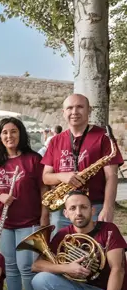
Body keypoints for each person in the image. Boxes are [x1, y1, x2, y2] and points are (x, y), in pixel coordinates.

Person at [31, 192, 127, 290]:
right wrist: (66, 268)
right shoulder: (63, 234)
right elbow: (37, 265)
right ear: (66, 213)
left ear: (93, 210)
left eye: (83, 207)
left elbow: (118, 269)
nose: (79, 212)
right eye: (73, 208)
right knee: (40, 280)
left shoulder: (109, 230)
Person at [0, 116, 48, 290]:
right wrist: (0, 196)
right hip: (4, 223)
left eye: (13, 132)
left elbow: (44, 190)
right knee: (9, 266)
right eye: (4, 133)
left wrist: (44, 216)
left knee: (27, 266)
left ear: (20, 134)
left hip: (29, 221)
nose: (9, 136)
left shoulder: (33, 159)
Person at [42, 94, 123, 227]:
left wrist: (108, 208)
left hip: (93, 208)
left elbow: (111, 177)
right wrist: (63, 176)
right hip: (63, 210)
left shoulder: (104, 137)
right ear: (63, 112)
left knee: (94, 247)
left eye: (80, 107)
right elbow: (46, 178)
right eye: (70, 108)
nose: (74, 112)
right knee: (61, 248)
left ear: (89, 110)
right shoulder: (55, 141)